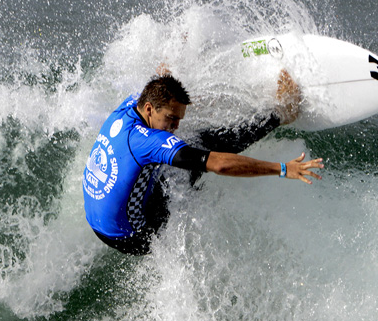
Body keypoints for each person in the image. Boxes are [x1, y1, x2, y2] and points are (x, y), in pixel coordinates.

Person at [82, 69, 323, 255]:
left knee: (185, 144)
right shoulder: (148, 143)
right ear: (149, 108)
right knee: (206, 146)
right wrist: (282, 169)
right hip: (133, 236)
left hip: (97, 220)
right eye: (170, 118)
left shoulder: (128, 107)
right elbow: (219, 164)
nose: (175, 126)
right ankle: (281, 114)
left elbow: (157, 85)